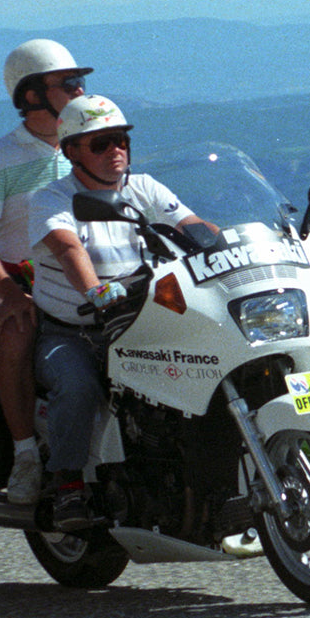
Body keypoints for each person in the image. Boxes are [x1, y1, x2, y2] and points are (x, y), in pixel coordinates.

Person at [28, 95, 209, 529]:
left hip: (144, 321)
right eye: (101, 143)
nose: (116, 151)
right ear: (71, 150)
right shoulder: (50, 199)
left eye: (122, 140)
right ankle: (68, 486)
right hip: (74, 331)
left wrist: (234, 252)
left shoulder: (144, 188)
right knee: (76, 388)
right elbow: (68, 247)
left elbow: (193, 226)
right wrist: (94, 290)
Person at [0, 40, 92, 504]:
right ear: (32, 94)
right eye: (68, 83)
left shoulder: (89, 144)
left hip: (88, 273)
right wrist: (9, 293)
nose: (80, 89)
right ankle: (24, 455)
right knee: (16, 333)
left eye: (80, 81)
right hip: (22, 278)